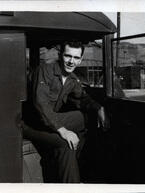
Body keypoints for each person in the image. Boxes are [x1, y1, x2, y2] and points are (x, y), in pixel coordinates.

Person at [23, 41, 108, 183]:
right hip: (30, 124)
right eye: (68, 56)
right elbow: (41, 104)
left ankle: (74, 176)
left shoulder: (72, 80)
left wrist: (99, 108)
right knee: (65, 142)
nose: (71, 61)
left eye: (76, 58)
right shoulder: (45, 70)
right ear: (60, 55)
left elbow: (82, 98)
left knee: (85, 120)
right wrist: (63, 130)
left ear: (80, 60)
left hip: (49, 122)